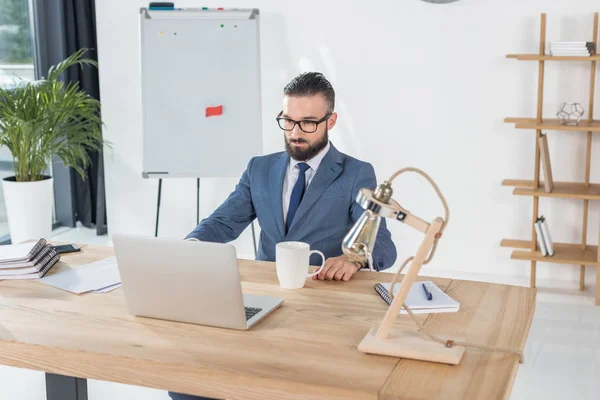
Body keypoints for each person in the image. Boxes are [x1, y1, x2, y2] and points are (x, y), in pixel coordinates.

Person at [170, 72, 397, 400]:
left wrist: (354, 257)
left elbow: (383, 244)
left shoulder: (356, 173)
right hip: (262, 302)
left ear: (330, 121)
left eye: (307, 123)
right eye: (287, 121)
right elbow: (222, 223)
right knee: (186, 387)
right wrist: (189, 248)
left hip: (322, 311)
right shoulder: (259, 169)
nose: (295, 133)